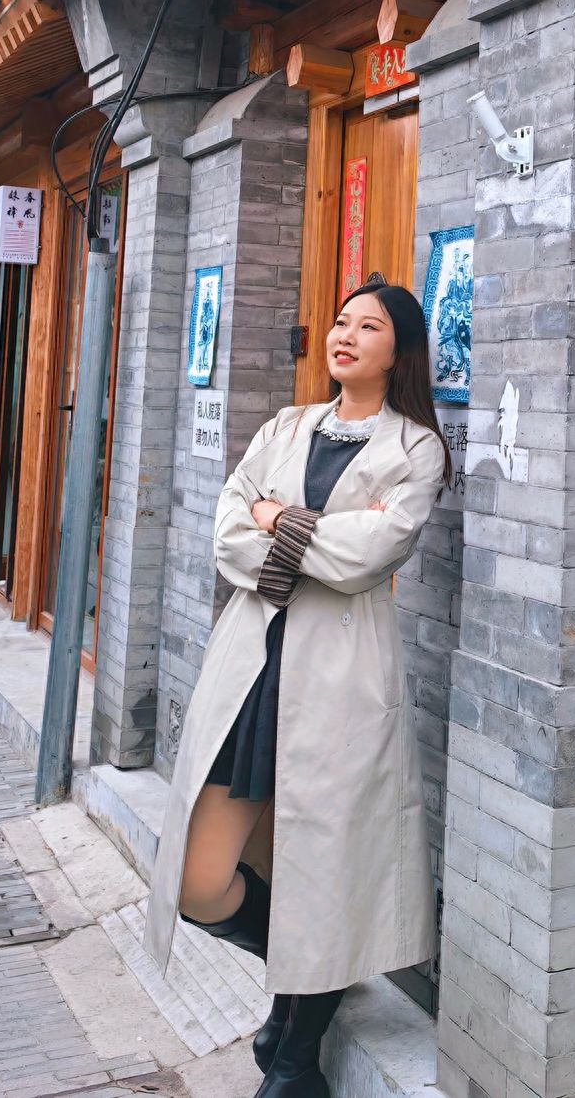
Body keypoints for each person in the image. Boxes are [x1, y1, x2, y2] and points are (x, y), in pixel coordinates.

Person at [143, 273, 451, 1098]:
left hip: (343, 683)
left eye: (369, 326)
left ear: (400, 350)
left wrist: (280, 519)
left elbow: (367, 560)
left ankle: (294, 1058)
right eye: (341, 321)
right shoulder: (285, 425)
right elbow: (226, 537)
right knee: (200, 882)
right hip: (253, 669)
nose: (345, 335)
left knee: (327, 864)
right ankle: (302, 976)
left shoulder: (416, 448)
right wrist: (294, 534)